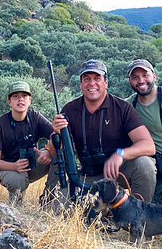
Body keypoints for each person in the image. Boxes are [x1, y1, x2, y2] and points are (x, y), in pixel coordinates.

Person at [51, 59, 156, 202]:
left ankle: (139, 215)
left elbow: (148, 146)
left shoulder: (122, 108)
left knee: (144, 164)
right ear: (81, 84)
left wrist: (120, 154)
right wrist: (56, 133)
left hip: (118, 173)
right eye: (86, 79)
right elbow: (53, 152)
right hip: (88, 176)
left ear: (106, 82)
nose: (92, 83)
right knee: (63, 210)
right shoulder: (69, 109)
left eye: (97, 78)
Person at [0, 81, 56, 205]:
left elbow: (56, 135)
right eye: (16, 96)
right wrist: (14, 166)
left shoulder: (35, 117)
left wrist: (48, 151)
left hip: (31, 164)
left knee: (60, 156)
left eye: (24, 96)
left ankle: (48, 199)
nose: (20, 99)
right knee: (17, 181)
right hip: (9, 167)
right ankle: (16, 203)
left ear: (29, 100)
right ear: (9, 101)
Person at [126, 59, 162, 203]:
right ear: (130, 81)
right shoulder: (128, 105)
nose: (141, 81)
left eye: (145, 75)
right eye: (135, 77)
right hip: (153, 167)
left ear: (153, 76)